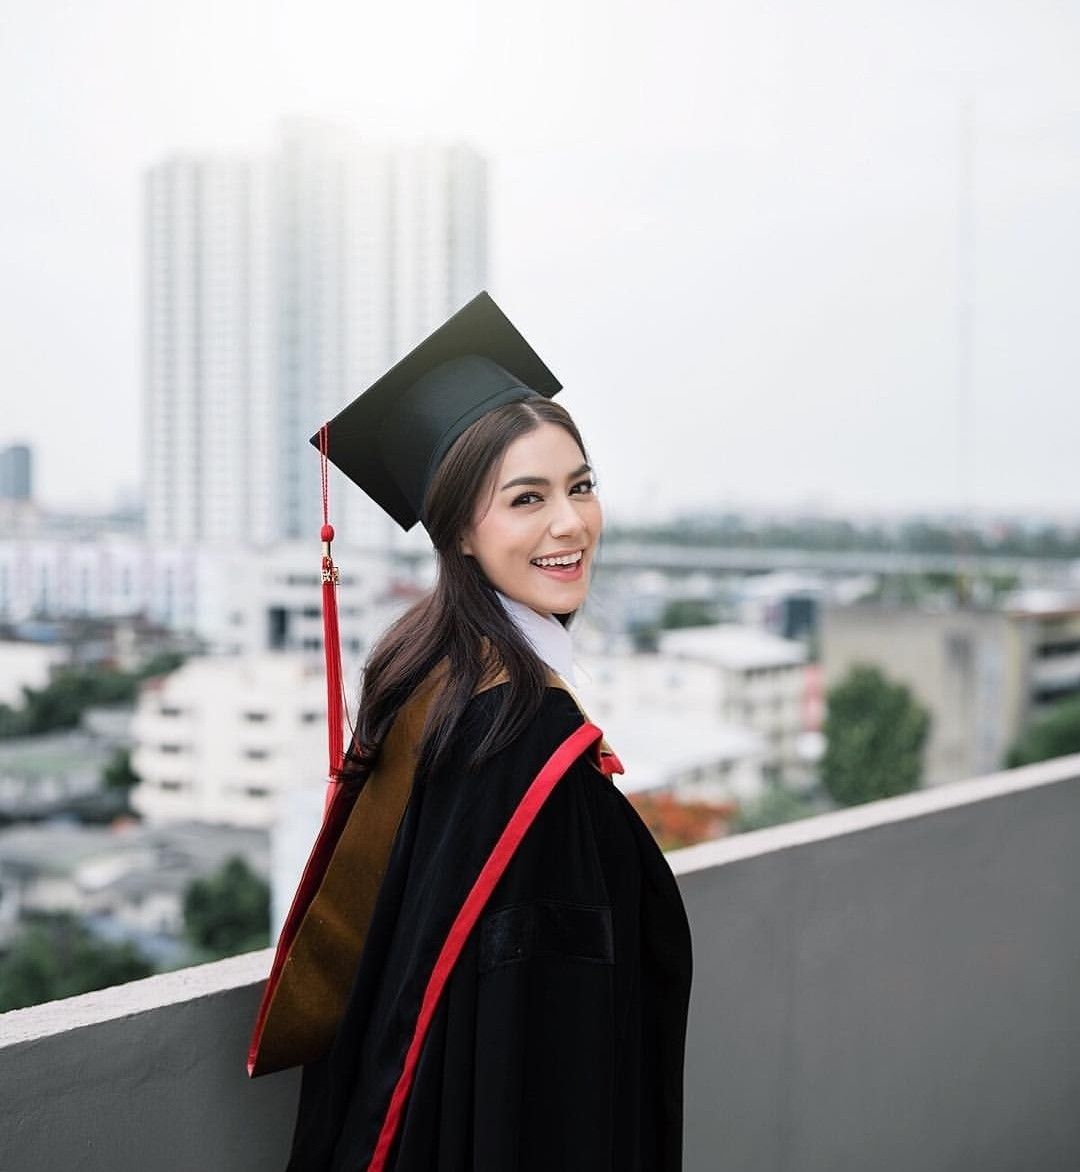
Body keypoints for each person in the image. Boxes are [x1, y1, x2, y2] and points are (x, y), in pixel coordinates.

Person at [251, 293, 693, 1171]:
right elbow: (541, 1032)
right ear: (457, 529)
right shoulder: (521, 742)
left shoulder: (430, 671)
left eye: (581, 486)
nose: (570, 523)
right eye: (525, 499)